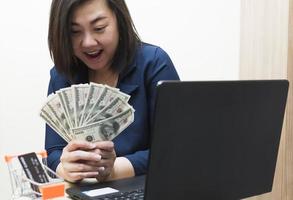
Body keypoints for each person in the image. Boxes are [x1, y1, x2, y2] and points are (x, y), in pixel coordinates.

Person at [45, 0, 180, 183]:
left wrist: (114, 169)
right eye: (74, 32)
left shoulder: (153, 63)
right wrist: (66, 167)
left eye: (99, 28)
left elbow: (174, 150)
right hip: (83, 192)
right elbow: (54, 152)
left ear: (119, 20)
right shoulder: (62, 75)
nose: (88, 42)